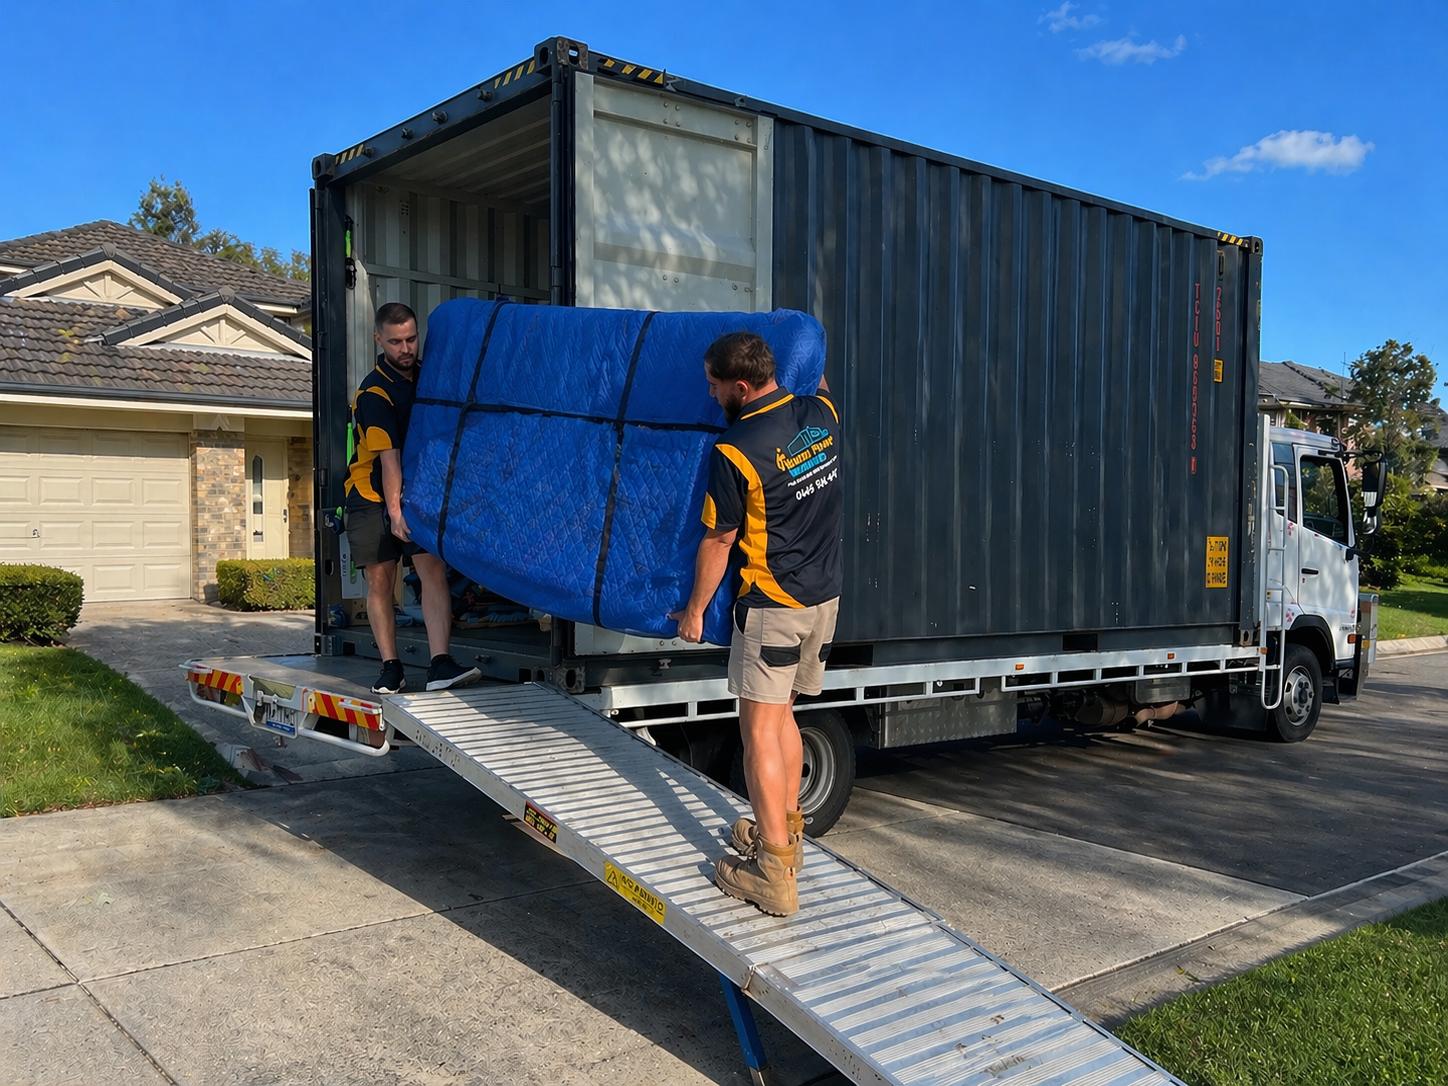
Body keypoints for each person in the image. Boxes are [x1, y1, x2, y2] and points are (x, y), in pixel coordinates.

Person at [672, 332, 843, 917]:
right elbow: (818, 369)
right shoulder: (821, 413)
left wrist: (695, 611)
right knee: (784, 717)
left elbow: (719, 540)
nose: (710, 394)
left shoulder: (737, 448)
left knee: (759, 733)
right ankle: (785, 836)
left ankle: (772, 873)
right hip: (823, 600)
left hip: (773, 606)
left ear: (740, 387)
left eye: (714, 384)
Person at [345, 302, 481, 695]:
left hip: (417, 490)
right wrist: (395, 513)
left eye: (411, 339)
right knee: (381, 578)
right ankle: (391, 668)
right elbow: (389, 460)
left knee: (432, 569)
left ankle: (440, 664)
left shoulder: (427, 379)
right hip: (371, 494)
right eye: (395, 342)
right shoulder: (373, 393)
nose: (405, 349)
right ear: (378, 339)